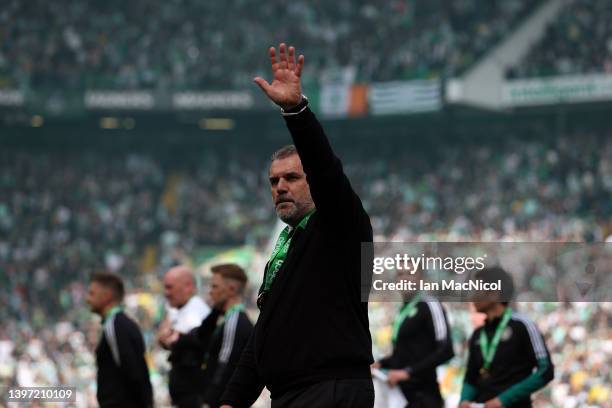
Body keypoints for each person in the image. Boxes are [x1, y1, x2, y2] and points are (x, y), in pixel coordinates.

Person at [219, 43, 375, 408]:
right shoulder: (286, 245)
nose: (281, 187)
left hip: (332, 389)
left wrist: (296, 112)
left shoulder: (340, 226)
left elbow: (327, 171)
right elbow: (265, 332)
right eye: (273, 182)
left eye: (292, 177)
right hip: (290, 395)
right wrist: (231, 400)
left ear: (313, 182)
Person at [459, 267, 554, 408]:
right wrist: (464, 400)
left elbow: (545, 370)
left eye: (476, 289)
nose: (472, 296)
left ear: (493, 294)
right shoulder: (478, 335)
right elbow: (471, 378)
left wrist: (504, 400)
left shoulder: (523, 326)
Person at [169, 264, 253, 408]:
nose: (210, 292)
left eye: (214, 287)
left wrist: (208, 402)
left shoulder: (235, 321)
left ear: (231, 289)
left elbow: (225, 367)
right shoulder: (226, 318)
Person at [372, 270, 454, 408]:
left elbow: (446, 350)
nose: (404, 278)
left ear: (421, 278)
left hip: (424, 396)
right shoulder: (403, 310)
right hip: (401, 396)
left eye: (410, 273)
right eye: (400, 274)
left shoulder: (430, 304)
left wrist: (408, 372)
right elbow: (405, 354)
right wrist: (381, 364)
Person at [86, 272, 153, 408]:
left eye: (92, 294)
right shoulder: (121, 323)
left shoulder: (115, 325)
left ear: (107, 296)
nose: (87, 299)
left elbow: (131, 371)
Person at [158, 265, 211, 408]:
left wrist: (171, 337)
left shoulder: (196, 311)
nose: (166, 293)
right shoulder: (177, 307)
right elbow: (163, 338)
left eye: (170, 288)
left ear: (188, 287)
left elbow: (170, 339)